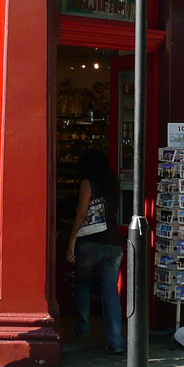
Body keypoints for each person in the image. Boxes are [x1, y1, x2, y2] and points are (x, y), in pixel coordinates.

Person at [64, 148, 125, 355]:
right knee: (110, 292)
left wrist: (72, 239)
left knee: (82, 283)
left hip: (90, 242)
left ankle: (83, 327)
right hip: (113, 244)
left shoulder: (88, 183)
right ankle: (116, 341)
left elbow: (82, 213)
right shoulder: (112, 183)